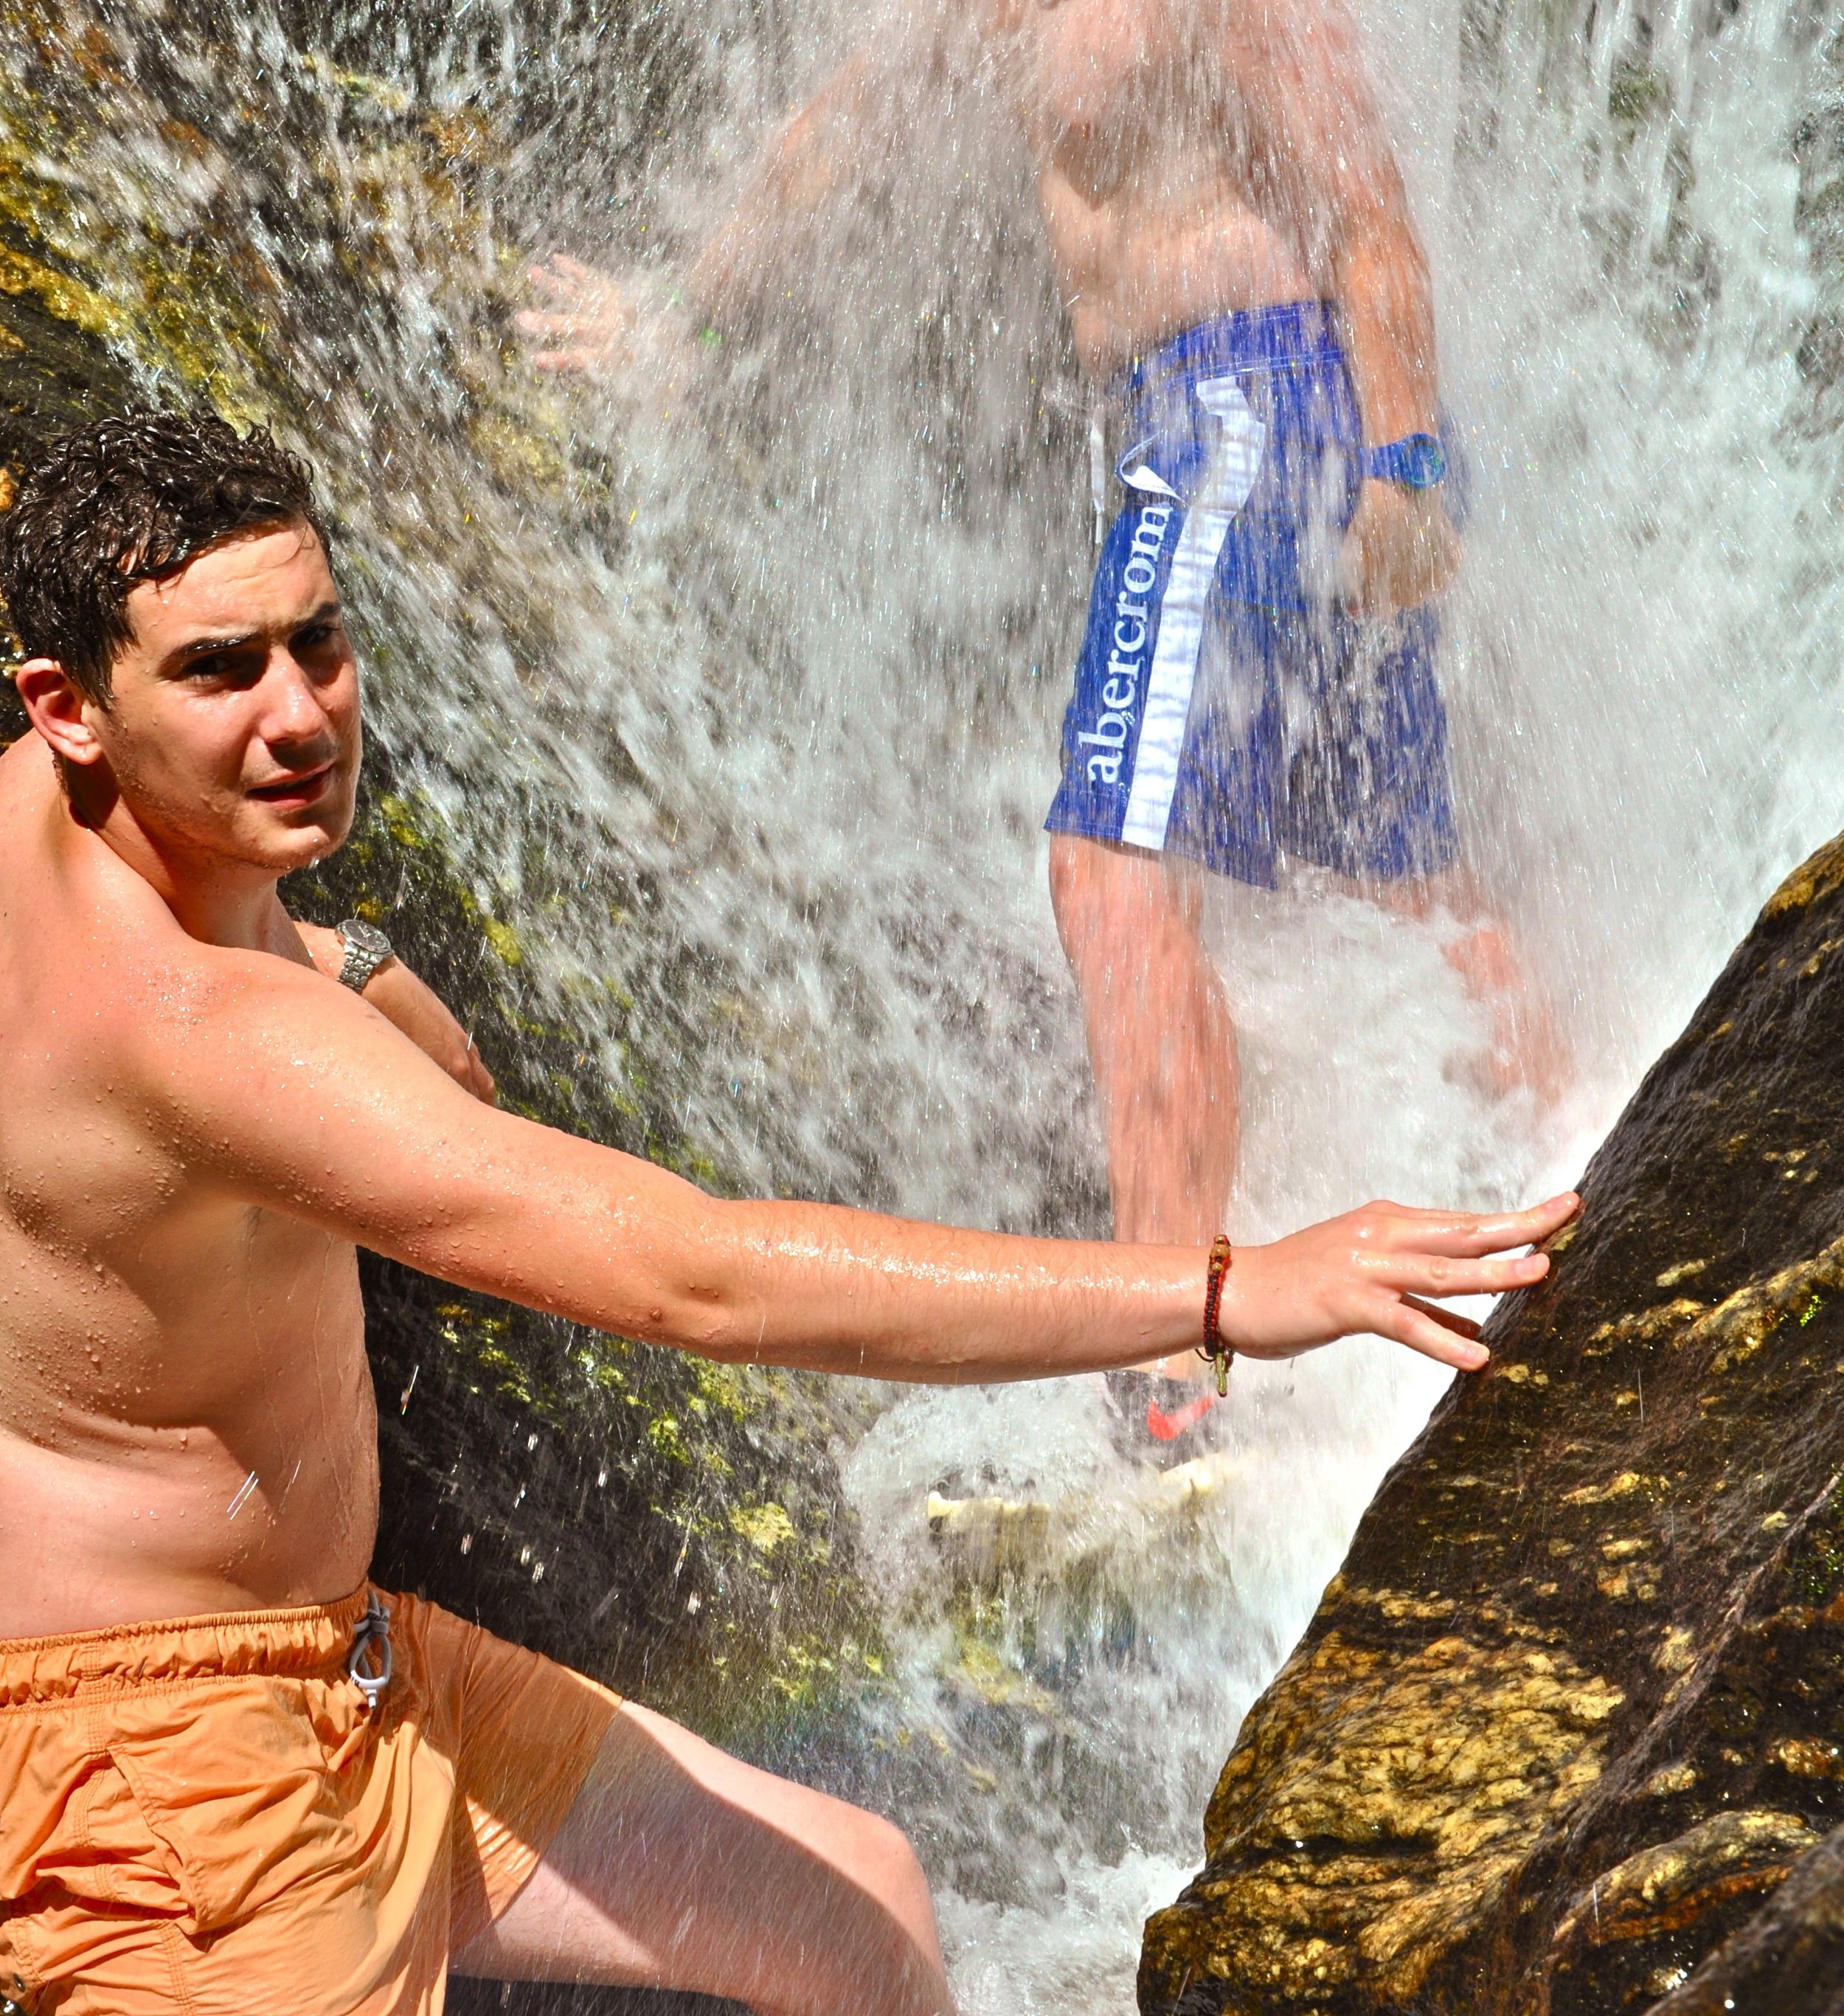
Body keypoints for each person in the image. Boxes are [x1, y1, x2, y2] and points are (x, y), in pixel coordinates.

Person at [0, 402, 1573, 2015]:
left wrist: (337, 951)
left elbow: (378, 1074)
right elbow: (697, 1281)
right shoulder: (198, 1035)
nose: (298, 715)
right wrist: (1226, 1287)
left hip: (359, 1669)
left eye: (315, 643)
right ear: (66, 704)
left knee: (853, 1913)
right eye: (217, 671)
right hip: (166, 1782)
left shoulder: (62, 842)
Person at [520, 0, 1556, 1447]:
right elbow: (838, 131)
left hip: (1254, 413)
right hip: (1225, 429)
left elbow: (1367, 211)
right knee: (1394, 867)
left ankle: (1167, 1368)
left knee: (1106, 863)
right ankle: (1587, 1190)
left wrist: (1410, 454)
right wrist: (678, 310)